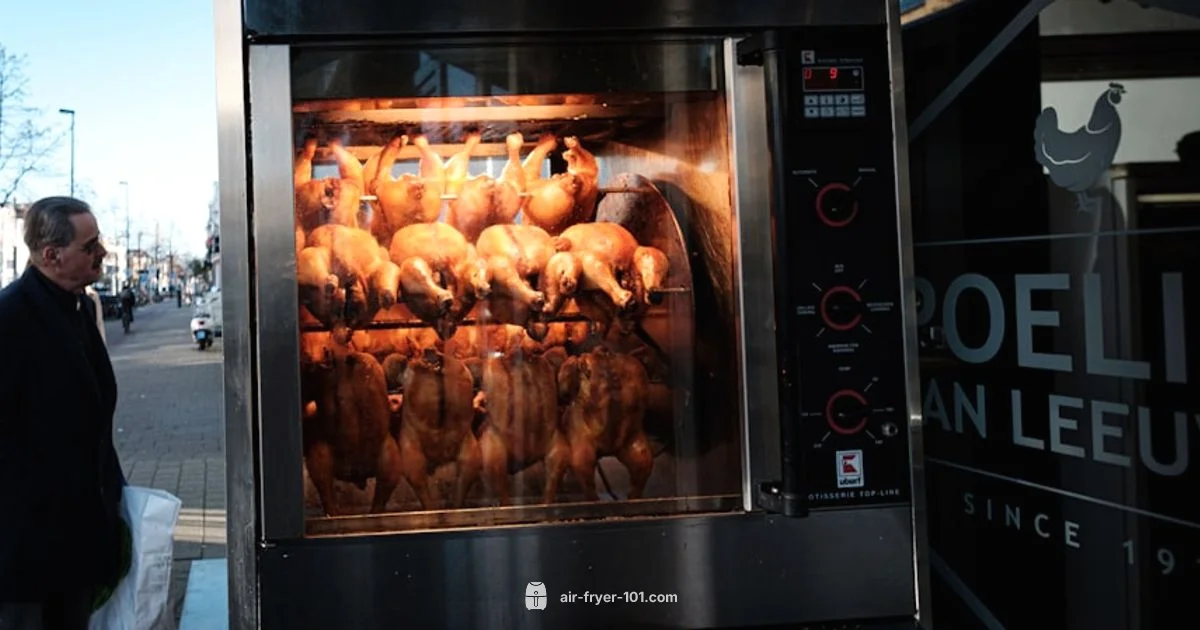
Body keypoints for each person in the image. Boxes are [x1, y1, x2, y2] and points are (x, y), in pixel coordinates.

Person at [0, 197, 128, 629]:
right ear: (51, 256)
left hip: (77, 546)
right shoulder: (10, 318)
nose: (103, 253)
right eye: (90, 246)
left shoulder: (79, 308)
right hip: (27, 559)